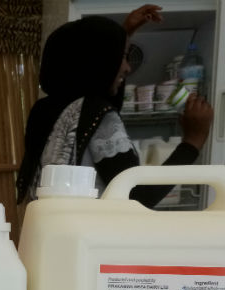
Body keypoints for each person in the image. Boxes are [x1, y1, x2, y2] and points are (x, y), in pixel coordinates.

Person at [16, 5, 214, 206]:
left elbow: (97, 101)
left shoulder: (44, 110)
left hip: (54, 231)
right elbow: (138, 197)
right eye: (121, 56)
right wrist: (193, 141)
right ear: (98, 62)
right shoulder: (96, 113)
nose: (128, 67)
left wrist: (124, 33)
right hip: (92, 234)